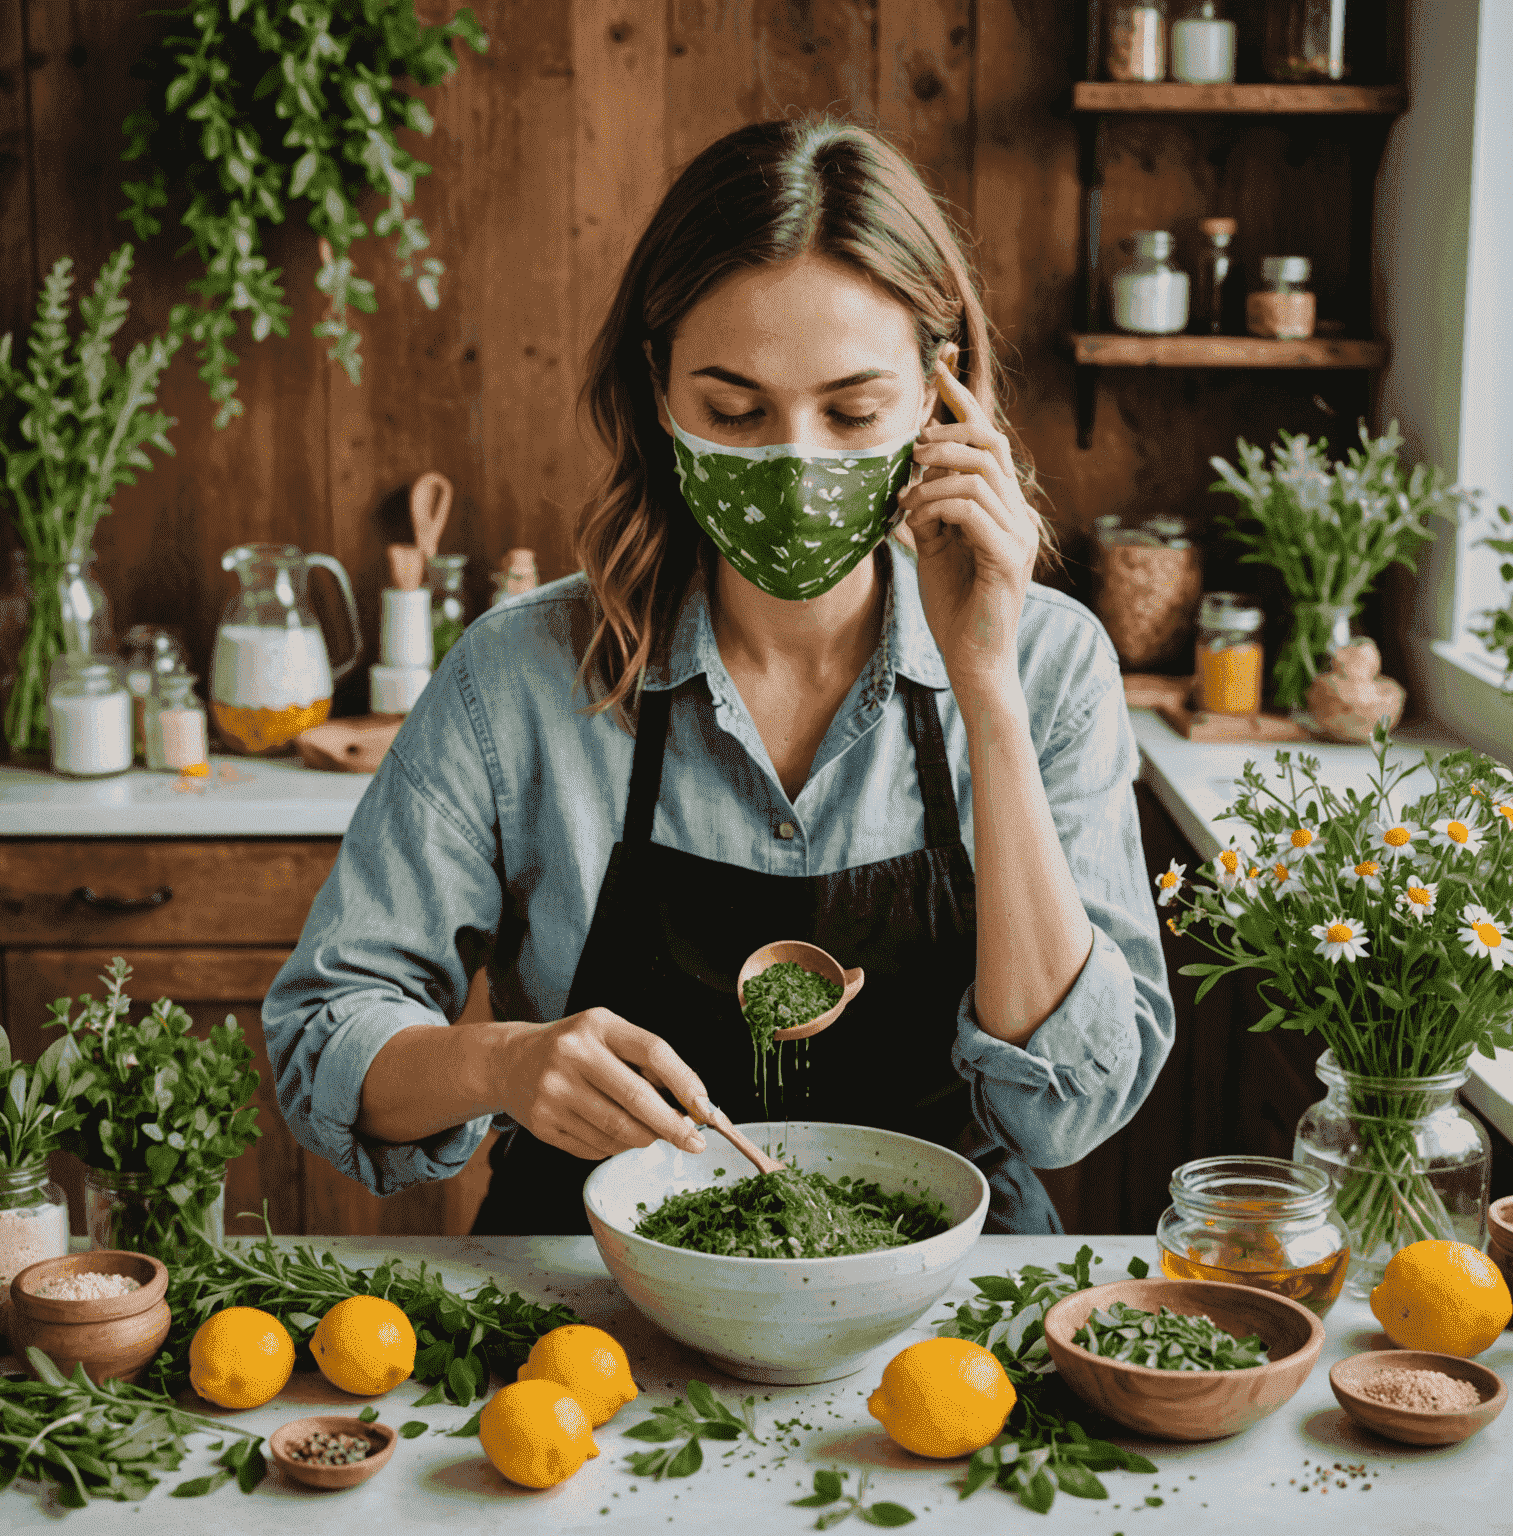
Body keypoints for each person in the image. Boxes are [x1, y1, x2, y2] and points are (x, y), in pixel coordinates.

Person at [262, 117, 1174, 1237]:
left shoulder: (1051, 661)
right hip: (589, 1294)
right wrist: (502, 1064)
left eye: (853, 412)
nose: (798, 461)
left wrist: (984, 682)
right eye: (736, 412)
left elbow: (1070, 1110)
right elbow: (322, 1037)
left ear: (943, 397)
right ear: (659, 388)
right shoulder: (518, 679)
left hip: (945, 1311)